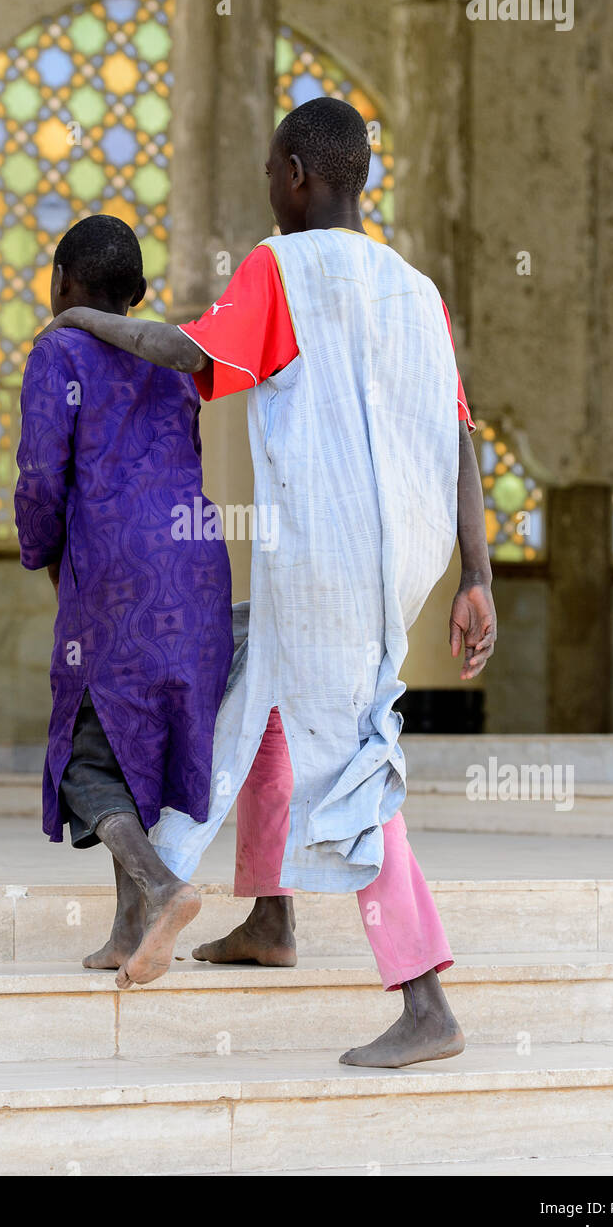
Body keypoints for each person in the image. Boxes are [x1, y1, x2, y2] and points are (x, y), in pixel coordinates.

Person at [53, 97, 497, 1067]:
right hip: (397, 563)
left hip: (325, 558)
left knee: (357, 765)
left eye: (268, 169)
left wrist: (86, 320)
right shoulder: (419, 291)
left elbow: (192, 353)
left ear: (297, 173)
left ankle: (425, 1000)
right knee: (250, 690)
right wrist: (479, 574)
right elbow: (458, 435)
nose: (266, 185)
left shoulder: (282, 266)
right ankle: (259, 914)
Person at [14, 214, 233, 989]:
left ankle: (164, 889)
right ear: (136, 295)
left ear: (62, 284)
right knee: (132, 745)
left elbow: (42, 478)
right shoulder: (169, 363)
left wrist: (42, 553)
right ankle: (125, 930)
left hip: (116, 569)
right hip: (197, 570)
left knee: (82, 753)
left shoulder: (58, 350)